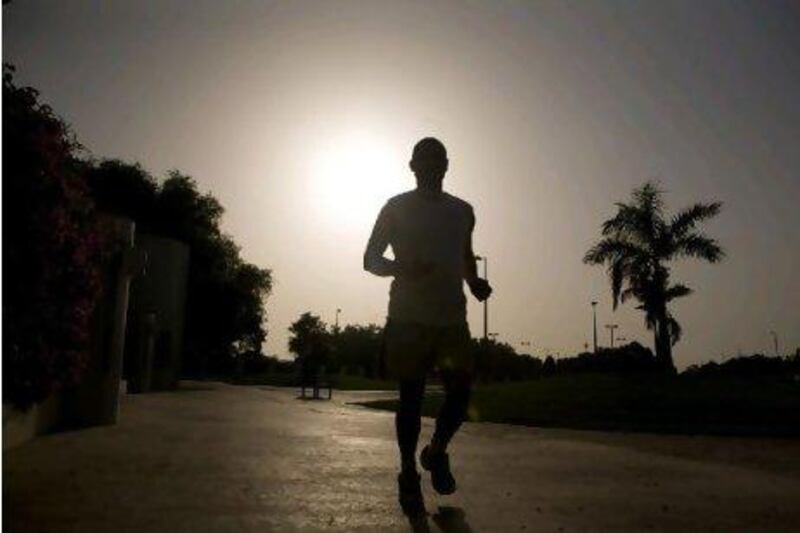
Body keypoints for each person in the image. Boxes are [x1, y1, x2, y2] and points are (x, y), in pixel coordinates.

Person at [363, 137, 492, 515]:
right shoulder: (395, 207)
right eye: (426, 159)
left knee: (460, 395)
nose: (433, 164)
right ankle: (407, 472)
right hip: (408, 317)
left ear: (448, 165)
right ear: (412, 165)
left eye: (439, 159)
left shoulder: (463, 211)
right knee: (411, 398)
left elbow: (465, 254)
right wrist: (401, 268)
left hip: (451, 318)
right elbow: (370, 258)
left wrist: (474, 281)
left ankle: (435, 452)